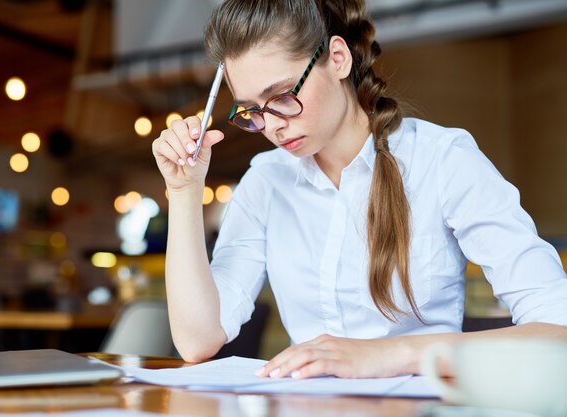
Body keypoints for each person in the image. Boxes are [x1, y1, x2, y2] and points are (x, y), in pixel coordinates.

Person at [151, 0, 567, 379]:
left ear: (337, 58)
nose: (273, 125)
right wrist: (185, 190)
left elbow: (558, 332)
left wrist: (388, 355)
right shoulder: (265, 181)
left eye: (280, 96)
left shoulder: (442, 161)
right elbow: (197, 340)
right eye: (252, 110)